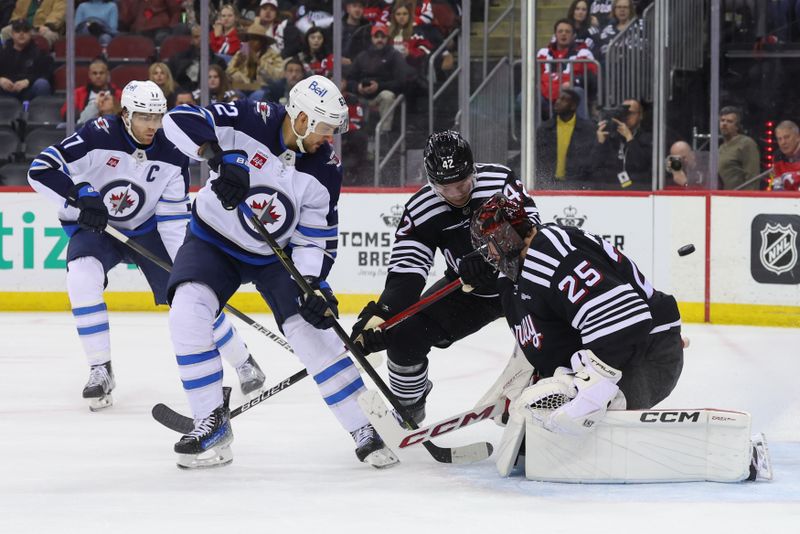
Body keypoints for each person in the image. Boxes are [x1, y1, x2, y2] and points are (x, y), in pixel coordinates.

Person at [161, 75, 398, 469]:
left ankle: (366, 425)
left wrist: (313, 286)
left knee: (311, 331)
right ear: (301, 118)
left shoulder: (325, 169)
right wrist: (217, 155)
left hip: (276, 256)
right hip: (213, 240)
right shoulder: (249, 118)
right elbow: (179, 118)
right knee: (187, 309)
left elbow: (314, 238)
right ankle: (210, 422)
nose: (329, 138)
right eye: (324, 128)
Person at [26, 80, 265, 412]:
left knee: (191, 295)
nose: (152, 125)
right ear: (125, 114)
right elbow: (40, 169)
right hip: (98, 226)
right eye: (144, 117)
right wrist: (77, 194)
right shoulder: (96, 135)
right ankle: (100, 368)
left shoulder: (172, 149)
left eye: (158, 117)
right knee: (81, 277)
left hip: (149, 229)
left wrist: (186, 263)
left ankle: (243, 361)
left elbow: (171, 214)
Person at [349, 131, 540, 424]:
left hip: (521, 285)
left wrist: (488, 255)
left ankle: (551, 398)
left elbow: (532, 231)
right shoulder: (421, 209)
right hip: (469, 294)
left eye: (462, 184)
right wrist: (385, 314)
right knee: (404, 334)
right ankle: (408, 408)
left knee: (549, 339)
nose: (456, 194)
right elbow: (407, 272)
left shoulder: (499, 181)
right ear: (431, 181)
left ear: (473, 170)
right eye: (445, 188)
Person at [469, 191, 683, 440]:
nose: (490, 257)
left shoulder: (547, 254)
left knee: (545, 411)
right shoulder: (518, 275)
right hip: (625, 352)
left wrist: (590, 389)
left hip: (648, 354)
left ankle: (608, 417)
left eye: (490, 246)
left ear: (506, 238)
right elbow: (548, 336)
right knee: (534, 410)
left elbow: (625, 318)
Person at [346, 23, 407, 133]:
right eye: (376, 36)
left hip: (381, 96)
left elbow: (402, 82)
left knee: (387, 96)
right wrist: (358, 87)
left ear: (387, 38)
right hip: (361, 96)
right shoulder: (362, 56)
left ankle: (384, 134)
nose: (380, 40)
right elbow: (349, 79)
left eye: (383, 37)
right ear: (372, 38)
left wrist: (379, 86)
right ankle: (350, 133)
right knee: (344, 96)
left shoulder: (394, 55)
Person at [535, 88, 595, 186]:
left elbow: (590, 160)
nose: (558, 102)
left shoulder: (588, 129)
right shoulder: (544, 128)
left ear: (573, 106)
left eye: (563, 99)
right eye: (558, 98)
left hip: (577, 184)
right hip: (549, 184)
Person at [537, 19, 598, 114]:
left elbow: (592, 77)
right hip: (545, 96)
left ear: (573, 35)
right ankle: (531, 128)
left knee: (577, 91)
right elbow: (534, 75)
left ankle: (582, 128)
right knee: (526, 96)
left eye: (567, 31)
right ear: (555, 35)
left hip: (569, 95)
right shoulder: (543, 53)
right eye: (560, 31)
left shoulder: (584, 53)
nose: (563, 34)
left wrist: (573, 82)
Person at [590, 98, 652, 189]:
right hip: (610, 189)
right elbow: (593, 166)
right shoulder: (609, 135)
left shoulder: (648, 138)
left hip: (638, 189)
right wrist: (600, 143)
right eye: (623, 113)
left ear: (640, 115)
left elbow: (642, 165)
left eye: (630, 113)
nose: (626, 116)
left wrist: (629, 138)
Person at [227, 20, 283, 99]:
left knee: (257, 96)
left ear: (262, 41)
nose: (251, 42)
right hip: (242, 87)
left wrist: (260, 62)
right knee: (235, 97)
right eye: (249, 38)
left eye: (255, 39)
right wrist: (237, 65)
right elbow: (228, 72)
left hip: (262, 87)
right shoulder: (241, 53)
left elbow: (278, 75)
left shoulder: (273, 55)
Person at [0, 19, 52, 101]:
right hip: (6, 90)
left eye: (25, 30)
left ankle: (41, 112)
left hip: (28, 91)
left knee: (42, 84)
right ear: (12, 34)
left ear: (30, 33)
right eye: (17, 30)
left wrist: (28, 81)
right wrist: (1, 80)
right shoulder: (3, 51)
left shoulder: (39, 51)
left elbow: (46, 74)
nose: (21, 33)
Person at [168, 24, 228, 92]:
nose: (200, 39)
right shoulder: (178, 60)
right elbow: (172, 80)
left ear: (209, 39)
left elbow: (223, 84)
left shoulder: (219, 62)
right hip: (184, 95)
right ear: (191, 40)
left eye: (204, 36)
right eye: (196, 37)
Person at [718, 106, 760, 190]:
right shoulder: (721, 147)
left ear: (737, 126)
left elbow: (752, 178)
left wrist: (747, 199)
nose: (724, 124)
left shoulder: (746, 144)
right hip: (722, 199)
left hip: (739, 200)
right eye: (722, 120)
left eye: (729, 121)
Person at [771, 120, 800, 191]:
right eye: (779, 139)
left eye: (787, 137)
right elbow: (777, 184)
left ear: (798, 137)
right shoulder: (778, 156)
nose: (783, 142)